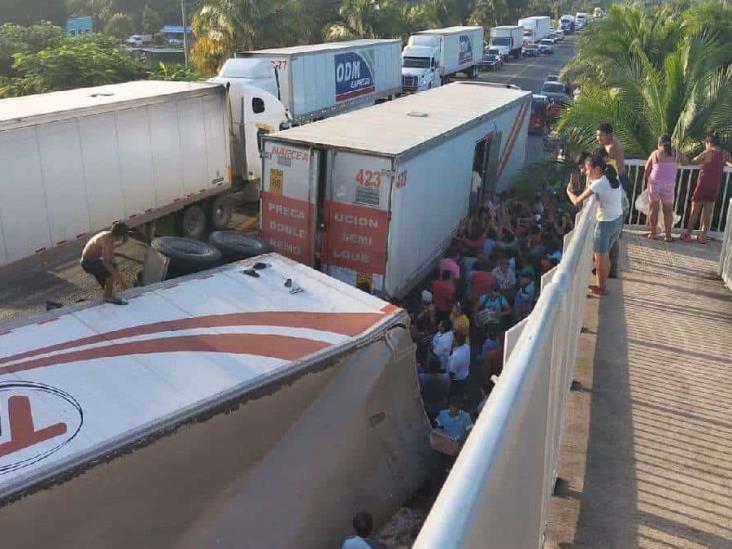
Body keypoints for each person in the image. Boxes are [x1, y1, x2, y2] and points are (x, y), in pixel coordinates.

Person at [566, 153, 623, 295]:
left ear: (597, 169)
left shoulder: (599, 183)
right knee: (605, 256)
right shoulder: (610, 176)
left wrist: (569, 192)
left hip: (605, 223)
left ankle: (601, 287)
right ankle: (602, 284)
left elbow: (577, 201)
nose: (585, 172)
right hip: (617, 220)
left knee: (600, 258)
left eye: (587, 169)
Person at [681, 134, 732, 244]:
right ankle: (703, 237)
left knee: (695, 212)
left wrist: (686, 159)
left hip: (703, 185)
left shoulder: (707, 153)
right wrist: (725, 164)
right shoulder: (724, 154)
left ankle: (688, 234)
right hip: (714, 187)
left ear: (708, 143)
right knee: (708, 213)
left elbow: (694, 161)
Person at [643, 134, 682, 242]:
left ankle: (653, 233)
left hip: (654, 183)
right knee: (668, 211)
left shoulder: (655, 153)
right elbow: (687, 161)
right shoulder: (676, 153)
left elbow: (647, 168)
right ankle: (668, 236)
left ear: (659, 144)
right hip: (669, 185)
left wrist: (648, 179)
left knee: (653, 209)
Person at [80, 222, 129, 305]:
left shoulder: (108, 235)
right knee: (110, 273)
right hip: (88, 263)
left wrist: (116, 271)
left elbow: (110, 253)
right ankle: (108, 296)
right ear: (119, 235)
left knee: (113, 267)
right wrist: (120, 279)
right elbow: (106, 262)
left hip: (91, 260)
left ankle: (108, 291)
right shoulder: (107, 240)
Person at [596, 122, 630, 191]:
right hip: (616, 176)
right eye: (597, 135)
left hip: (619, 178)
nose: (598, 138)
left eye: (601, 135)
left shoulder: (612, 147)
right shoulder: (609, 142)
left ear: (609, 135)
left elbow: (601, 164)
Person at [418, 355, 451, 421]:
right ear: (439, 367)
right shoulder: (446, 378)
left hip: (426, 406)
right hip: (440, 407)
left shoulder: (421, 378)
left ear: (428, 366)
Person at [447, 332, 470, 396]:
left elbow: (451, 374)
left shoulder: (455, 357)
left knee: (456, 395)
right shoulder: (467, 347)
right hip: (465, 375)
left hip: (457, 380)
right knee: (462, 392)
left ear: (455, 341)